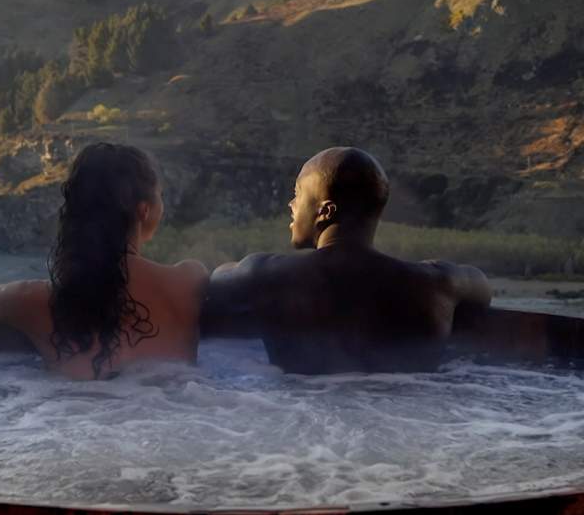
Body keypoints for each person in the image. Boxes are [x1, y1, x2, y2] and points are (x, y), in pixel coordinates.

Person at [201, 146, 491, 373]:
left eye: (297, 194)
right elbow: (481, 289)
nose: (291, 206)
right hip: (407, 421)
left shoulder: (265, 274)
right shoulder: (439, 282)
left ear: (325, 211)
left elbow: (216, 281)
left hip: (307, 425)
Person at [0, 142, 207, 378]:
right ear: (144, 210)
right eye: (159, 195)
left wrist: (3, 292)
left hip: (79, 419)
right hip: (181, 415)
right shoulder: (187, 281)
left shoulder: (31, 300)